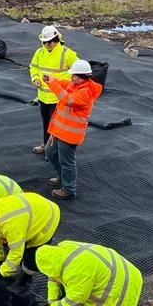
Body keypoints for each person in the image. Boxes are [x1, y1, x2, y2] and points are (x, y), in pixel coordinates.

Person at [35, 240, 143, 306]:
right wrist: (52, 299)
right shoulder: (66, 247)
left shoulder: (77, 273)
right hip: (131, 276)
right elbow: (54, 275)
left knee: (81, 304)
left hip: (121, 297)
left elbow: (74, 302)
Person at [0, 192, 60, 291]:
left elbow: (16, 253)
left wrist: (1, 273)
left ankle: (25, 279)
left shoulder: (11, 227)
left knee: (30, 259)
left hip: (48, 216)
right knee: (19, 247)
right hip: (32, 208)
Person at [42, 59, 102, 201]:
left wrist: (51, 83)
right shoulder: (75, 84)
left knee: (66, 161)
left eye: (74, 75)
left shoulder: (85, 92)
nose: (71, 77)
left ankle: (69, 189)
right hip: (60, 130)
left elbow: (67, 99)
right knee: (50, 152)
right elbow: (63, 84)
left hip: (70, 134)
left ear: (82, 77)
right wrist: (51, 79)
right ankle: (63, 176)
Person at [28, 25, 78, 154]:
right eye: (44, 42)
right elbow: (33, 67)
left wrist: (69, 86)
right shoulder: (39, 53)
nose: (47, 45)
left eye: (49, 42)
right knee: (46, 122)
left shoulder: (67, 54)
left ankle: (53, 151)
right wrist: (35, 79)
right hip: (43, 96)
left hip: (59, 98)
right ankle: (46, 146)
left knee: (56, 126)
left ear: (56, 39)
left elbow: (78, 72)